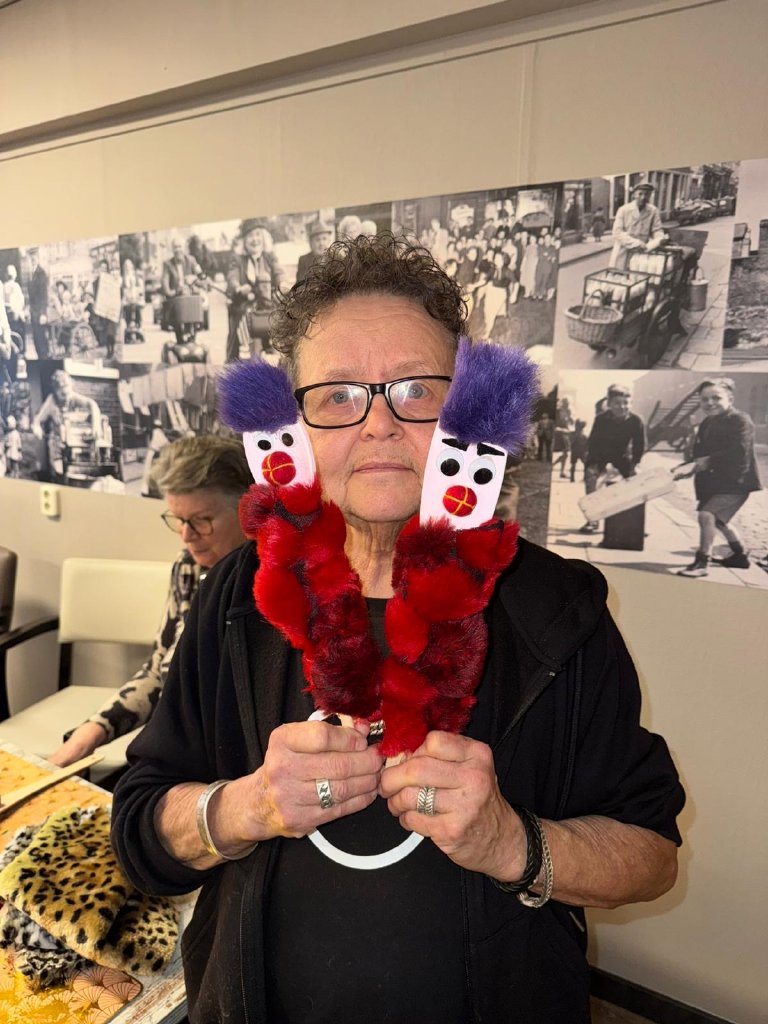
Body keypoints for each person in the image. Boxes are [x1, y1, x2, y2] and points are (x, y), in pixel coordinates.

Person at [112, 234, 683, 1024]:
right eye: (337, 394)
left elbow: (651, 856)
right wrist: (246, 808)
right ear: (297, 424)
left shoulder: (559, 609)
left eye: (416, 389)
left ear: (466, 411)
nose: (379, 423)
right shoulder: (239, 593)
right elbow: (140, 829)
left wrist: (512, 842)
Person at [50, 435, 251, 768]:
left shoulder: (273, 586)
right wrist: (92, 731)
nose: (186, 536)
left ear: (248, 509)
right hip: (182, 742)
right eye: (178, 520)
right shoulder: (189, 568)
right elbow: (161, 669)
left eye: (201, 520)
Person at [673, 378, 762, 577]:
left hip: (736, 482)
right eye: (704, 399)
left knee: (706, 515)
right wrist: (688, 467)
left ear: (730, 399)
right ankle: (739, 556)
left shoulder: (740, 420)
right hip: (713, 482)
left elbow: (738, 452)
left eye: (716, 398)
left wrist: (705, 462)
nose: (710, 403)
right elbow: (700, 453)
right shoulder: (707, 422)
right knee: (718, 521)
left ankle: (702, 563)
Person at [579, 384, 645, 533]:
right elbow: (593, 443)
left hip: (622, 456)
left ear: (631, 403)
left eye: (626, 403)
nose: (622, 407)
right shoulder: (601, 419)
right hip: (600, 455)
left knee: (638, 481)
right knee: (591, 477)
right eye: (617, 403)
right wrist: (598, 467)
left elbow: (639, 445)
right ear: (609, 404)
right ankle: (593, 519)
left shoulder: (636, 421)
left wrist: (635, 464)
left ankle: (636, 523)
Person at [225, 220, 284, 362]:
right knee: (241, 325)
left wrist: (283, 283)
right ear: (244, 241)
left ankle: (279, 360)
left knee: (283, 327)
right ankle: (238, 358)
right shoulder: (237, 259)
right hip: (246, 306)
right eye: (250, 236)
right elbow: (232, 276)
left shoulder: (270, 257)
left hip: (268, 306)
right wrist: (238, 288)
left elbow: (279, 272)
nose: (255, 239)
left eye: (258, 235)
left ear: (264, 237)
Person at [31, 369, 103, 482]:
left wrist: (96, 426)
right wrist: (37, 428)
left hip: (73, 444)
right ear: (56, 391)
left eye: (68, 392)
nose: (66, 397)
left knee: (76, 472)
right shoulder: (51, 401)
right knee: (60, 473)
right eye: (63, 394)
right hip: (57, 446)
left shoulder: (74, 397)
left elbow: (92, 405)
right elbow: (37, 420)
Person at [609, 183, 665, 270]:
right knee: (619, 274)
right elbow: (617, 233)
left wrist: (658, 240)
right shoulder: (623, 210)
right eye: (640, 194)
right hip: (623, 250)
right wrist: (636, 243)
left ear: (650, 196)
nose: (643, 197)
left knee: (638, 274)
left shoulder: (653, 211)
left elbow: (657, 229)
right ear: (634, 195)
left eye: (647, 194)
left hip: (642, 251)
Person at [162, 237, 203, 346]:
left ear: (184, 248)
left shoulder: (191, 260)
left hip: (191, 298)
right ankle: (180, 339)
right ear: (172, 249)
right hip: (176, 298)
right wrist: (172, 292)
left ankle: (193, 336)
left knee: (197, 307)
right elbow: (165, 283)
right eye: (175, 247)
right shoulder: (167, 264)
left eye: (180, 246)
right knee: (176, 316)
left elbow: (201, 277)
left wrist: (194, 278)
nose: (178, 250)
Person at [27, 248, 50, 359]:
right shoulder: (31, 274)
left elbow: (44, 295)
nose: (33, 259)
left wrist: (43, 314)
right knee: (36, 340)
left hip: (40, 314)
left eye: (34, 257)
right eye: (31, 257)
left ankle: (45, 361)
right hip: (33, 313)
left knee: (41, 341)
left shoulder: (41, 273)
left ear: (38, 258)